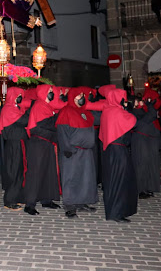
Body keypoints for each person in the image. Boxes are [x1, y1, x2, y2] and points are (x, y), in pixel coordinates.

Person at [23, 85, 68, 215]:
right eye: (49, 92)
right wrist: (59, 117)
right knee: (36, 173)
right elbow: (43, 125)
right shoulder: (39, 106)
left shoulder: (47, 106)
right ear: (43, 93)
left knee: (48, 171)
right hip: (38, 144)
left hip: (47, 143)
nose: (51, 94)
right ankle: (29, 204)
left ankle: (46, 199)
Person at [56, 87, 98, 219]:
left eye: (82, 96)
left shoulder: (86, 112)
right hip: (72, 152)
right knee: (71, 178)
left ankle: (82, 202)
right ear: (72, 97)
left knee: (85, 178)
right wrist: (67, 149)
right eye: (79, 96)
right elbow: (62, 132)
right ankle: (70, 206)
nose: (82, 98)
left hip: (86, 152)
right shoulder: (66, 111)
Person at [99, 88, 138, 223]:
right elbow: (133, 121)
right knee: (120, 181)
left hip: (110, 150)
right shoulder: (117, 112)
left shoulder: (108, 110)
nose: (124, 101)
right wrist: (129, 108)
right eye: (123, 99)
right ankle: (117, 213)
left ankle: (114, 211)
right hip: (118, 151)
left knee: (113, 181)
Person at [0, 87, 32, 210]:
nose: (20, 98)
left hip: (20, 143)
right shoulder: (8, 108)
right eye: (18, 95)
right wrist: (31, 109)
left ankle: (19, 196)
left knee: (20, 171)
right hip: (14, 144)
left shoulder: (16, 108)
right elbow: (24, 121)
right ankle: (9, 200)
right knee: (14, 171)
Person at [130, 95, 161, 199]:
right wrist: (150, 106)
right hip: (140, 140)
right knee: (141, 165)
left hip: (148, 140)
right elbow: (151, 115)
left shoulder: (142, 111)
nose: (142, 103)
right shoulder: (133, 112)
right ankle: (140, 189)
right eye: (139, 101)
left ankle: (148, 187)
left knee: (149, 164)